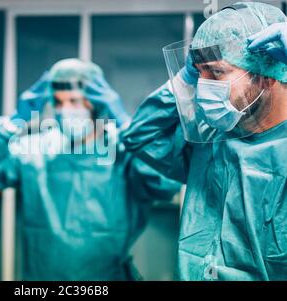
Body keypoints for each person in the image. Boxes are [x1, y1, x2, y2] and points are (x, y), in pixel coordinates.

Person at [0, 58, 181, 281]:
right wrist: (13, 122)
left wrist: (129, 128)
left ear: (97, 103)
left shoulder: (122, 149)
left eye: (74, 101)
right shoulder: (36, 148)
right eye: (58, 103)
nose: (65, 110)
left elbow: (165, 184)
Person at [122, 2, 287, 280]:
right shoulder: (210, 142)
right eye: (198, 73)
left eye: (216, 73)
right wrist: (183, 79)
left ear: (264, 75)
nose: (202, 85)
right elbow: (141, 136)